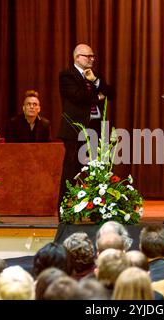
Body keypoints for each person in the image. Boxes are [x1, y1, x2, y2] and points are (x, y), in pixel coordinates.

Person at [57, 44, 113, 213]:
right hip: (75, 130)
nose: (91, 59)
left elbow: (111, 93)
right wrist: (97, 93)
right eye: (87, 56)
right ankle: (65, 209)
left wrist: (95, 80)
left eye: (92, 56)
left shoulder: (95, 75)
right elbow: (77, 97)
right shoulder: (67, 75)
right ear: (76, 57)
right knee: (72, 169)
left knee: (98, 169)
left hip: (96, 128)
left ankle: (97, 209)